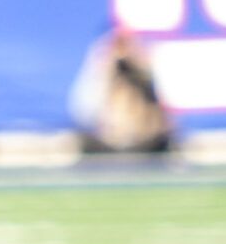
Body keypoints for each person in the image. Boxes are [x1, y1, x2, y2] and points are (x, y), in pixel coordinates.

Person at [69, 24, 176, 154]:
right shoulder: (101, 71)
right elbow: (84, 111)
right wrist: (104, 67)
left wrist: (139, 66)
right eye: (118, 44)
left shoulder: (145, 71)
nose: (123, 51)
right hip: (109, 141)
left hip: (145, 141)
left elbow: (167, 116)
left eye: (126, 44)